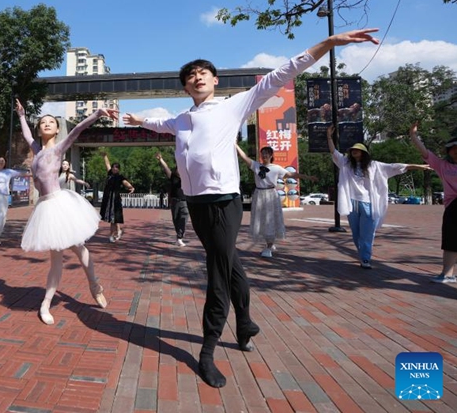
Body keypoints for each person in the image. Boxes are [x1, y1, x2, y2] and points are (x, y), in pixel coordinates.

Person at [124, 29, 382, 388]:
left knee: (217, 270)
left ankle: (207, 350)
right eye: (189, 76)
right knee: (231, 265)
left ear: (215, 80)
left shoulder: (234, 104)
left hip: (224, 202)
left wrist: (327, 44)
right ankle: (244, 322)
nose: (196, 77)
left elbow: (282, 73)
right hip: (196, 205)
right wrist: (137, 121)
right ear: (185, 88)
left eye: (202, 73)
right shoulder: (180, 119)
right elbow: (157, 124)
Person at [16, 98, 112, 325]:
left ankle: (94, 284)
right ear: (39, 129)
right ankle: (46, 304)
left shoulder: (59, 148)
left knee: (80, 249)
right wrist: (21, 115)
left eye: (51, 122)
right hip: (45, 208)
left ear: (58, 129)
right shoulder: (36, 150)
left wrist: (97, 114)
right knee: (56, 260)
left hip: (61, 204)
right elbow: (27, 136)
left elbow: (78, 129)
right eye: (43, 122)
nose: (47, 124)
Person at [327, 124, 430, 269]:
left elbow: (396, 166)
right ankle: (363, 255)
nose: (355, 152)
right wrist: (329, 137)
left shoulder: (374, 166)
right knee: (356, 233)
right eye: (353, 150)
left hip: (368, 203)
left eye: (358, 150)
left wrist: (417, 166)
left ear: (364, 153)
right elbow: (334, 152)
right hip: (352, 203)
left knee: (367, 233)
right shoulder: (345, 164)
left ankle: (366, 258)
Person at [235, 144, 316, 258]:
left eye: (267, 153)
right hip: (259, 194)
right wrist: (235, 144)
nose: (264, 155)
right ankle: (269, 242)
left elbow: (291, 174)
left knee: (270, 219)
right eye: (263, 153)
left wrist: (307, 177)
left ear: (271, 155)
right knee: (261, 219)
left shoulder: (276, 168)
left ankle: (269, 246)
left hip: (270, 195)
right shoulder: (256, 165)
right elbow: (244, 157)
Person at [410, 123, 457, 283]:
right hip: (453, 207)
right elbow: (425, 152)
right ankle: (448, 274)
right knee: (450, 241)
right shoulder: (443, 166)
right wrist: (413, 136)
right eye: (454, 148)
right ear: (449, 151)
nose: (456, 151)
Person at [0, 139, 28, 246]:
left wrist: (37, 174)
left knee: (2, 216)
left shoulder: (9, 172)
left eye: (3, 161)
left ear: (5, 163)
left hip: (3, 197)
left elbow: (23, 174)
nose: (1, 162)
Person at [99, 151, 135, 243]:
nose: (114, 168)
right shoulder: (110, 174)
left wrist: (131, 187)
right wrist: (105, 156)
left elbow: (125, 183)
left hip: (115, 199)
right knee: (112, 218)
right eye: (113, 167)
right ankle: (117, 232)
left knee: (113, 219)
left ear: (119, 169)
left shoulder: (120, 177)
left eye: (116, 167)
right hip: (108, 198)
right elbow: (107, 164)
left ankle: (113, 235)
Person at [156, 152, 189, 247]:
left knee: (184, 218)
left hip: (185, 202)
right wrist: (160, 159)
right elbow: (166, 168)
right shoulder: (172, 177)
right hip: (174, 201)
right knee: (176, 220)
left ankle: (180, 237)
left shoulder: (187, 177)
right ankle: (179, 235)